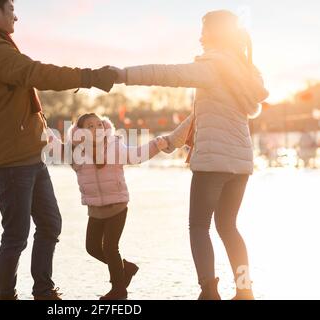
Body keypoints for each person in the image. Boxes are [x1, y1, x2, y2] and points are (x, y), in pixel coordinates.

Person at [0, 0, 117, 300]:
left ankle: (43, 290)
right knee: (16, 236)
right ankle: (6, 295)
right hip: (11, 159)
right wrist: (89, 77)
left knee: (49, 223)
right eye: (11, 9)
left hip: (28, 154)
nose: (16, 15)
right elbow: (36, 73)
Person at [111, 10, 269, 300]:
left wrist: (121, 74)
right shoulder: (244, 71)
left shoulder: (212, 67)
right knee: (228, 227)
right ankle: (245, 290)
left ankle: (208, 290)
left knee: (199, 226)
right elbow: (201, 114)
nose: (200, 35)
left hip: (212, 162)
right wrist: (173, 140)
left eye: (203, 29)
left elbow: (165, 74)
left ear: (212, 33)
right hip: (241, 162)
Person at [48, 112, 185, 299]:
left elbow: (136, 155)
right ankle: (124, 269)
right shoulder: (75, 152)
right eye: (90, 126)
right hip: (95, 208)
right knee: (92, 247)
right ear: (80, 132)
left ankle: (118, 290)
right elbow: (55, 147)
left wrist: (155, 145)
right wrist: (40, 125)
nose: (96, 129)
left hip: (117, 205)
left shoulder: (114, 145)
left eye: (99, 125)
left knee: (110, 247)